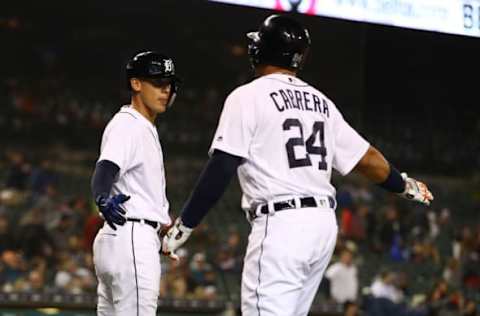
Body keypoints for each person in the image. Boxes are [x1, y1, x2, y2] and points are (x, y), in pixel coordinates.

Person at [162, 14, 433, 316]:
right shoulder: (322, 103)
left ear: (262, 51)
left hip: (282, 225)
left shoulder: (248, 96)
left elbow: (223, 165)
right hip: (322, 227)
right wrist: (404, 185)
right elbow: (367, 158)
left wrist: (185, 224)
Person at [91, 50, 180, 315]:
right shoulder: (128, 124)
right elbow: (105, 168)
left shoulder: (142, 126)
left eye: (169, 84)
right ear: (136, 83)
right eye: (158, 83)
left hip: (125, 238)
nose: (165, 90)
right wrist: (101, 197)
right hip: (130, 236)